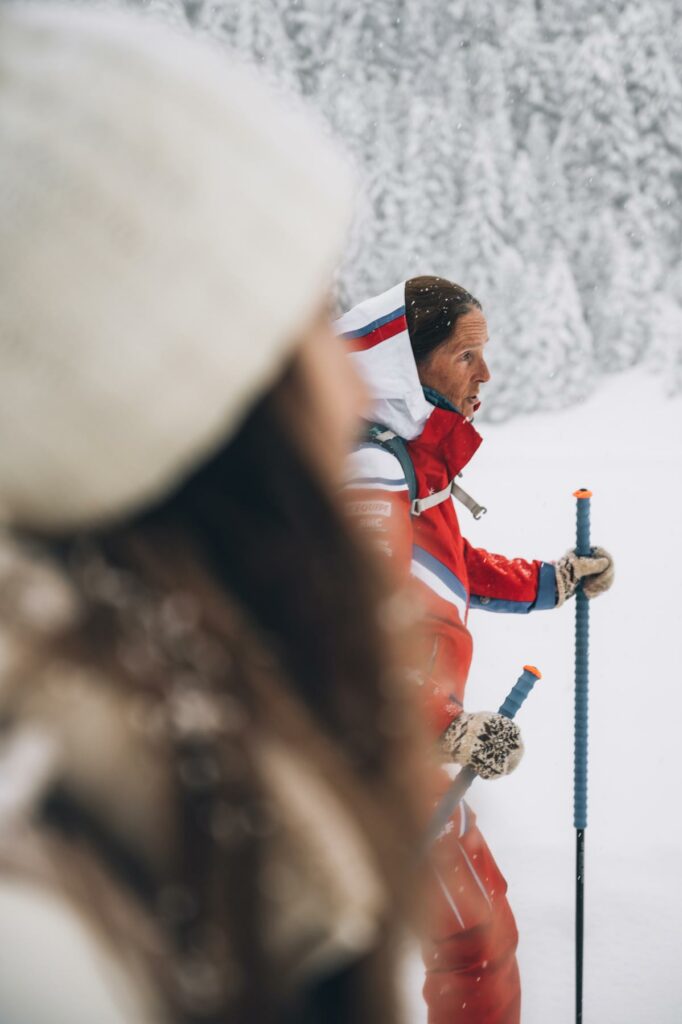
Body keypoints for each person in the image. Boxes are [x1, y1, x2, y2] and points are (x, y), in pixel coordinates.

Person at [0, 7, 429, 1023]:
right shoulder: (41, 960)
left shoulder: (155, 805)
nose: (357, 390)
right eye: (314, 320)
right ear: (173, 386)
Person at [338, 276, 614, 1024]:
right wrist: (444, 723)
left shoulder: (404, 463)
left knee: (462, 937)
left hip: (400, 746)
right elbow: (353, 633)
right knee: (472, 941)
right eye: (465, 354)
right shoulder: (372, 469)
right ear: (406, 364)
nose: (483, 374)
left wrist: (552, 581)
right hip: (380, 755)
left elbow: (446, 569)